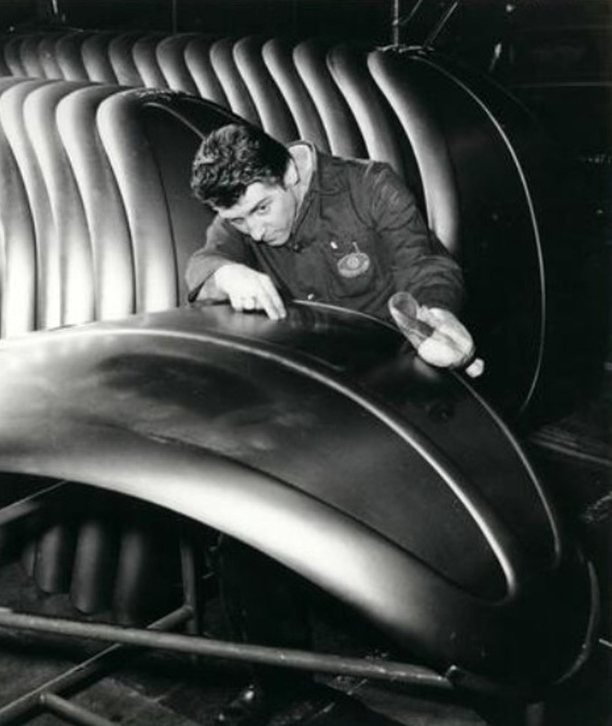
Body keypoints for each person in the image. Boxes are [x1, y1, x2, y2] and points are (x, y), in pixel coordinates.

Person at [185, 123, 476, 726]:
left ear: (290, 172)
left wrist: (437, 319)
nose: (258, 230)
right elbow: (205, 258)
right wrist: (223, 273)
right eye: (242, 222)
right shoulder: (243, 211)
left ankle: (468, 680)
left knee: (430, 542)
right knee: (244, 525)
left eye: (263, 210)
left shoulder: (370, 187)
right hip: (314, 393)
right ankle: (279, 685)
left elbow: (425, 266)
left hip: (397, 382)